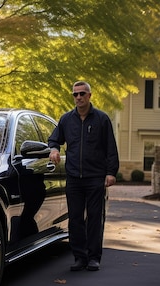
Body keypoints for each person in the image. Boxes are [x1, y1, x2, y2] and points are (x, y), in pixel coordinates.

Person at [48, 81, 119, 271]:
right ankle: (80, 257)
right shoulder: (66, 119)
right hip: (73, 178)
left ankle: (94, 257)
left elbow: (110, 148)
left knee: (95, 218)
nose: (78, 97)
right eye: (75, 94)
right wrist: (53, 150)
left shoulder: (102, 119)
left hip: (95, 177)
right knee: (75, 219)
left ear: (89, 96)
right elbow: (54, 139)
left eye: (82, 94)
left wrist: (111, 172)